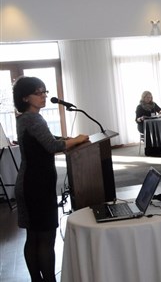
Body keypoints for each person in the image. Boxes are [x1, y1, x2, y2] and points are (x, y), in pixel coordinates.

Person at [13, 77, 89, 281]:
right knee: (45, 238)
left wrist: (66, 139)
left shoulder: (25, 118)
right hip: (35, 187)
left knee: (34, 237)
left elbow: (47, 139)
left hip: (31, 184)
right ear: (25, 97)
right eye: (39, 93)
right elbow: (52, 146)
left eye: (44, 91)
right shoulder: (33, 119)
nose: (44, 96)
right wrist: (78, 139)